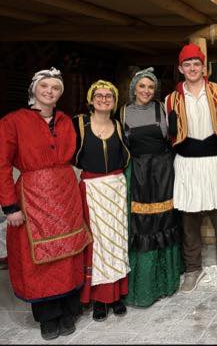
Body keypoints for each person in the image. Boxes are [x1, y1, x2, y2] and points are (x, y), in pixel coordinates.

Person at [0, 68, 91, 340]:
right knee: (38, 258)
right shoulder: (13, 121)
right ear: (34, 89)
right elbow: (2, 165)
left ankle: (69, 309)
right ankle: (48, 317)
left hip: (66, 195)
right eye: (45, 86)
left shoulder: (65, 121)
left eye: (55, 88)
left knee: (69, 250)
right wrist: (10, 206)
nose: (50, 91)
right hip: (33, 196)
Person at [165, 44, 217, 293]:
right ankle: (193, 269)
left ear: (204, 67)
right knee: (189, 222)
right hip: (187, 163)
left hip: (216, 162)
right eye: (187, 65)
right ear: (180, 69)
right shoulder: (170, 99)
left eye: (196, 64)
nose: (192, 68)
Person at [120, 68, 182, 307]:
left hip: (163, 173)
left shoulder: (163, 109)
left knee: (164, 222)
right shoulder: (123, 112)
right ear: (134, 88)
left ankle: (166, 282)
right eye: (142, 86)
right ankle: (143, 285)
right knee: (142, 224)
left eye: (150, 87)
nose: (146, 91)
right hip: (138, 174)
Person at [75, 80, 131, 322]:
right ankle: (99, 298)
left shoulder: (119, 126)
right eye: (99, 95)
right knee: (97, 243)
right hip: (92, 188)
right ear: (91, 99)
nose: (104, 99)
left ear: (114, 101)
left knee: (117, 240)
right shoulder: (79, 124)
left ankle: (116, 295)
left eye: (109, 96)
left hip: (116, 187)